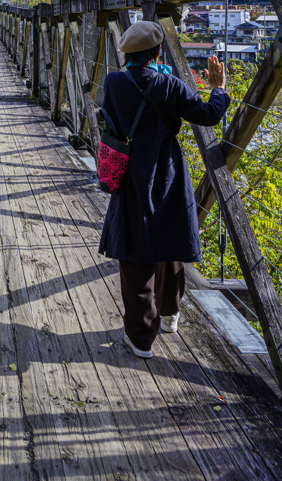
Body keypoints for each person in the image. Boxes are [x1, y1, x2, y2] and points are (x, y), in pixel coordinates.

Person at [98, 21, 229, 358]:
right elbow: (209, 115)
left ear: (127, 54)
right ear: (157, 53)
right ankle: (169, 315)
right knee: (169, 244)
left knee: (134, 254)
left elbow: (112, 118)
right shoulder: (170, 84)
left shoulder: (113, 83)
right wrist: (218, 89)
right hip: (167, 172)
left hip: (129, 175)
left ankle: (141, 337)